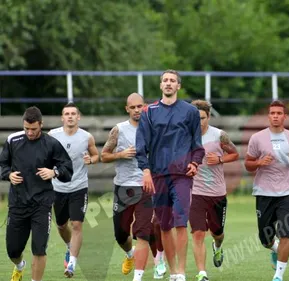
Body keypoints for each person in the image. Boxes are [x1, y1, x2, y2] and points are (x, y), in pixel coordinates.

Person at [136, 70, 205, 281]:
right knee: (164, 225)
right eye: (165, 80)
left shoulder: (191, 112)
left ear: (178, 86)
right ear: (160, 86)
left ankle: (182, 272)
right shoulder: (149, 112)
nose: (168, 83)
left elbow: (197, 146)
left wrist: (194, 163)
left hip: (182, 175)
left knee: (181, 222)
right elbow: (141, 146)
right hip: (158, 175)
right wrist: (146, 171)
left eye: (172, 81)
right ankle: (173, 271)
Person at [0, 106, 73, 281]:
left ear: (41, 124)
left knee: (39, 248)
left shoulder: (52, 144)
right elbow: (3, 165)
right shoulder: (13, 140)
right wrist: (8, 175)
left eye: (34, 129)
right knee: (13, 250)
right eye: (26, 129)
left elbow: (67, 168)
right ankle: (19, 266)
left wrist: (53, 172)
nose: (30, 133)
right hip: (18, 204)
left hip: (42, 204)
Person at [100, 93, 165, 281]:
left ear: (144, 107)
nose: (137, 110)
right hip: (123, 187)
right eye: (133, 107)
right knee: (120, 234)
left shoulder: (153, 129)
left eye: (139, 106)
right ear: (126, 109)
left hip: (146, 186)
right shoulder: (118, 130)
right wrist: (121, 155)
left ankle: (139, 276)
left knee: (143, 232)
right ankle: (130, 254)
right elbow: (104, 156)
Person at [244, 100, 289, 281]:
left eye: (279, 113)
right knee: (265, 239)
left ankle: (278, 276)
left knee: (286, 234)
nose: (275, 116)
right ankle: (274, 249)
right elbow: (248, 164)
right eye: (272, 113)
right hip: (264, 192)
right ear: (268, 116)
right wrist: (259, 163)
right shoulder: (257, 138)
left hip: (288, 192)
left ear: (285, 116)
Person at [189, 100, 239, 281]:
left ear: (208, 117)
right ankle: (202, 273)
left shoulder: (219, 135)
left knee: (217, 232)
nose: (199, 122)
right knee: (198, 232)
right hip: (194, 192)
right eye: (195, 118)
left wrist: (219, 159)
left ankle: (217, 246)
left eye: (202, 118)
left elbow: (235, 154)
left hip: (217, 192)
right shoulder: (184, 136)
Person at [48, 102, 99, 277]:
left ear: (79, 117)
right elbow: (44, 157)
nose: (70, 116)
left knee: (77, 224)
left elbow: (96, 155)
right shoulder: (52, 136)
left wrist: (91, 160)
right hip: (58, 187)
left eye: (73, 114)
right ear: (62, 117)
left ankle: (72, 264)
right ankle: (70, 247)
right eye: (66, 114)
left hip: (79, 186)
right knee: (62, 226)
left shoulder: (86, 137)